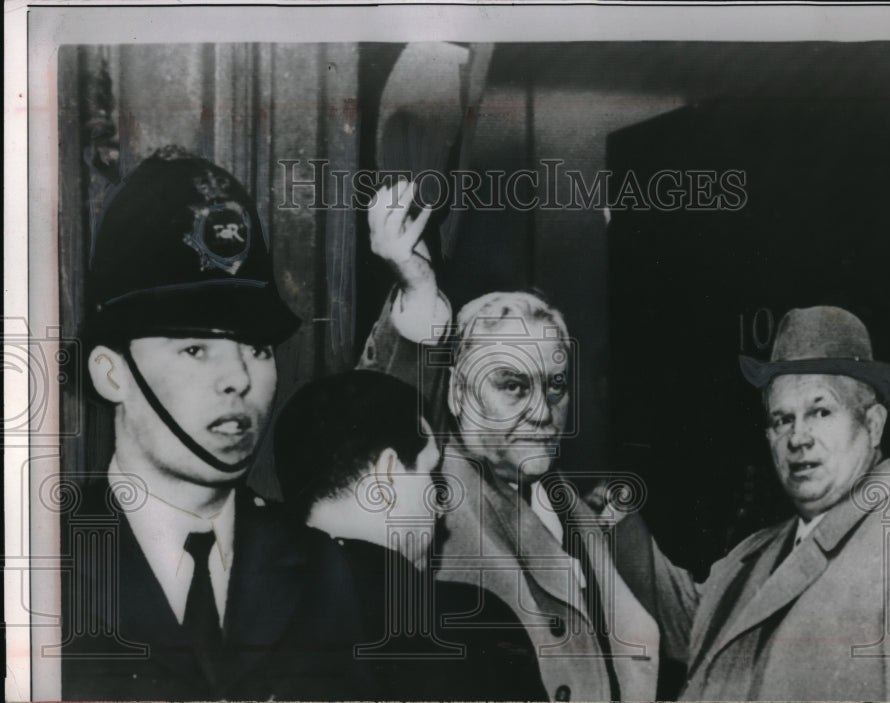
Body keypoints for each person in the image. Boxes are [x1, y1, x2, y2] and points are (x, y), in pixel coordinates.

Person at [61, 147, 376, 700]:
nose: (238, 378)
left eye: (256, 348)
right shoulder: (37, 569)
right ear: (112, 374)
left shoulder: (330, 573)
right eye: (194, 349)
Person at [358, 181, 689, 701]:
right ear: (460, 394)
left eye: (554, 386)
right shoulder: (435, 495)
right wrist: (418, 292)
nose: (542, 411)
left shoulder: (581, 509)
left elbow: (695, 625)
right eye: (512, 385)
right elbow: (379, 417)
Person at [656, 305, 890, 700]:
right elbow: (693, 624)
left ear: (873, 424)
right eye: (782, 420)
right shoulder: (758, 551)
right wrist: (611, 520)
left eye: (820, 411)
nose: (798, 438)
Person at [273, 369, 548, 701]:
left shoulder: (240, 616)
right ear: (386, 475)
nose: (439, 507)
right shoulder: (471, 624)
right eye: (431, 473)